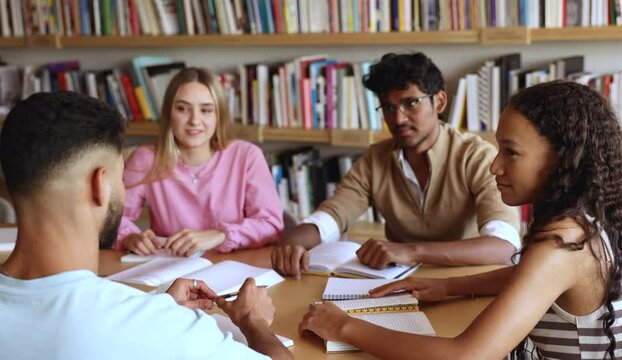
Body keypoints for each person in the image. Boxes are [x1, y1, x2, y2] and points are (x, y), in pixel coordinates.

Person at [298, 81, 622, 359]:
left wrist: (341, 325)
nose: (495, 165)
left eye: (510, 152)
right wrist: (448, 288)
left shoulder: (564, 243)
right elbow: (531, 277)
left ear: (564, 159)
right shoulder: (592, 217)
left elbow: (467, 356)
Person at [0, 92, 291, 360]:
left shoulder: (146, 320)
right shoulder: (160, 328)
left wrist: (156, 306)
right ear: (100, 185)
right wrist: (254, 322)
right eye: (122, 177)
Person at [272, 52, 520, 278]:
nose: (398, 118)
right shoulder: (375, 159)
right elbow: (331, 217)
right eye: (389, 107)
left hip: (467, 282)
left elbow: (504, 246)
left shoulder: (476, 156)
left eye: (411, 103)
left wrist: (411, 251)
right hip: (398, 284)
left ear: (440, 102)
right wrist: (293, 242)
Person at [114, 67, 283, 256]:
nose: (195, 120)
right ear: (169, 114)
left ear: (219, 116)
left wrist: (221, 235)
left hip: (234, 268)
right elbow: (110, 218)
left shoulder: (247, 156)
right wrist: (129, 237)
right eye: (182, 109)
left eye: (206, 110)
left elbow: (271, 225)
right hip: (169, 271)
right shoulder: (146, 159)